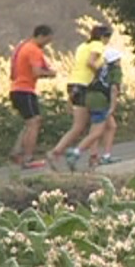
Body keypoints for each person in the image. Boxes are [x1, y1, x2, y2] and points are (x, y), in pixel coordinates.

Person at [48, 24, 112, 170]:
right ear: (103, 37)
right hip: (85, 85)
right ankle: (83, 155)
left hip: (73, 83)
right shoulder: (98, 45)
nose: (108, 41)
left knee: (79, 126)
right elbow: (90, 62)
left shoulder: (83, 46)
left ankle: (56, 152)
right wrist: (100, 74)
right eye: (108, 37)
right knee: (95, 124)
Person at [66, 47, 123, 170]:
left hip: (89, 97)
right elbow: (114, 89)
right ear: (117, 60)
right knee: (97, 131)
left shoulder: (101, 68)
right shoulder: (116, 70)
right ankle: (75, 152)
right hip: (100, 100)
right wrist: (112, 106)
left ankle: (102, 156)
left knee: (111, 126)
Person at [8, 25, 57, 169]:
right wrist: (51, 74)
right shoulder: (34, 50)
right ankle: (27, 158)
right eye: (47, 40)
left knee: (31, 122)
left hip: (16, 89)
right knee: (34, 122)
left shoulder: (22, 46)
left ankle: (17, 152)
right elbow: (36, 72)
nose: (47, 44)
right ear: (41, 36)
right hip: (25, 90)